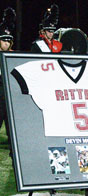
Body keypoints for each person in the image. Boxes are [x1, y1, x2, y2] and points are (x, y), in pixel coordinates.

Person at [0, 7, 16, 157]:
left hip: (8, 94)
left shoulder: (12, 56)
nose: (7, 43)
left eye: (9, 40)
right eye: (4, 40)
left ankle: (14, 152)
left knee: (12, 126)